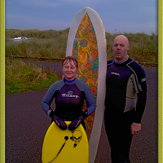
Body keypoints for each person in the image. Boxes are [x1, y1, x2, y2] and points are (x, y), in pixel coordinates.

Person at [104, 35, 147, 163]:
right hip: (110, 116)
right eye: (116, 45)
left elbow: (142, 96)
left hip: (125, 117)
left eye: (121, 45)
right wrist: (68, 78)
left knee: (122, 153)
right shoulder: (107, 66)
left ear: (127, 47)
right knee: (114, 149)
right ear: (112, 47)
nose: (118, 48)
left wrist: (137, 121)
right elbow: (88, 76)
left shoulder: (135, 69)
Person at [41, 56, 96, 131]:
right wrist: (54, 117)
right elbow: (44, 103)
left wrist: (81, 118)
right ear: (62, 68)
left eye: (72, 67)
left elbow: (92, 105)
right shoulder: (56, 86)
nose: (69, 70)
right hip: (58, 126)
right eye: (66, 67)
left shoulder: (83, 87)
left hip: (77, 126)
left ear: (76, 69)